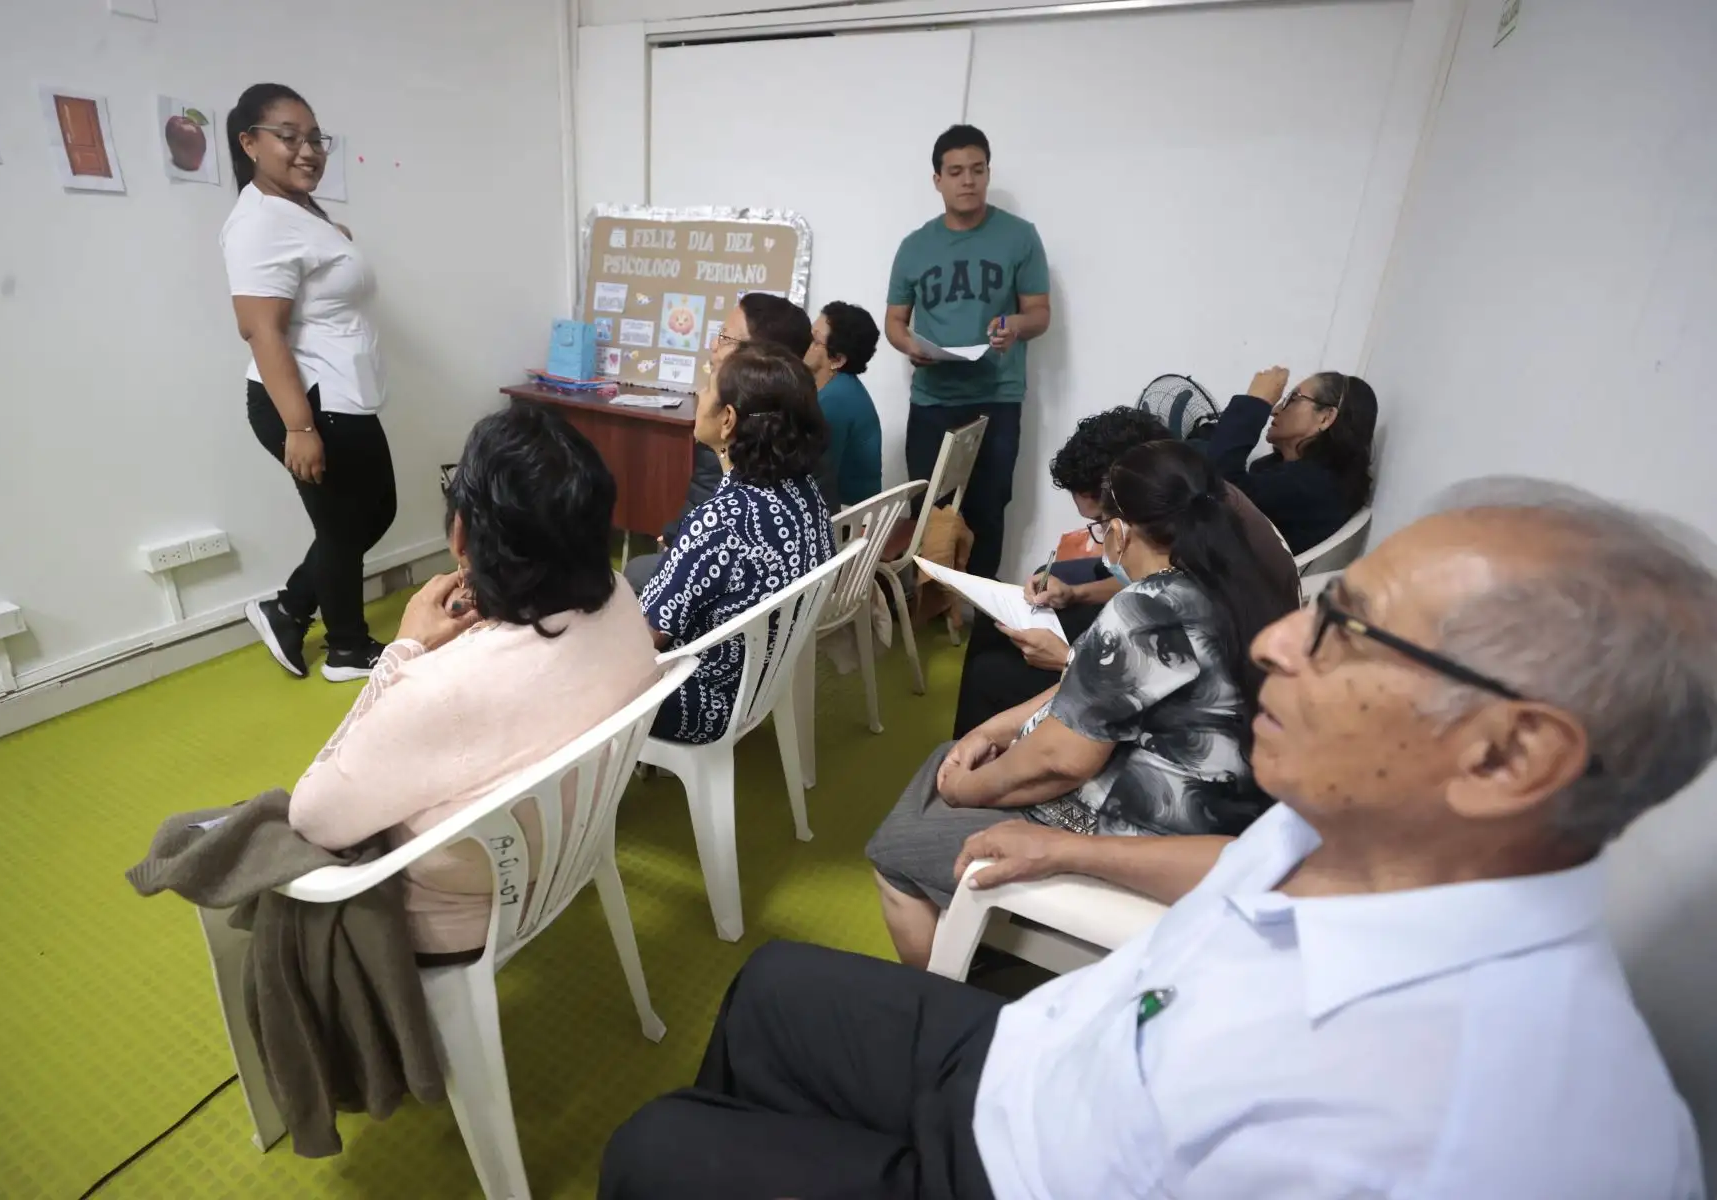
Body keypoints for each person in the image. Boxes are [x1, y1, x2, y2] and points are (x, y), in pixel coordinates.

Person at [600, 478, 1717, 1200]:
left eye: (1346, 629)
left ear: (1508, 756)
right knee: (773, 989)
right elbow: (1240, 870)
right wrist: (1067, 851)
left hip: (1023, 1170)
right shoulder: (1365, 830)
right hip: (1045, 1059)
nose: (1278, 640)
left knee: (654, 1150)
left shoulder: (1487, 1137)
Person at [868, 439, 1284, 965]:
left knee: (894, 851)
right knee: (949, 757)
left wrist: (969, 790)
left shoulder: (1147, 608)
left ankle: (946, 988)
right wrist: (991, 731)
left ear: (1120, 531)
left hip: (1140, 829)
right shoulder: (1230, 581)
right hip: (1204, 813)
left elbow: (1060, 762)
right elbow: (1092, 686)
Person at [287, 404, 658, 958]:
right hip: (567, 855)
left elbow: (311, 817)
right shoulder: (623, 595)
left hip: (455, 917)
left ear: (461, 536)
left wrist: (402, 652)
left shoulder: (439, 689)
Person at [954, 406, 1301, 736]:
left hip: (1204, 696)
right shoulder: (1193, 501)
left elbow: (1184, 661)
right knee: (996, 625)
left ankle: (969, 765)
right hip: (1181, 652)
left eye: (1102, 523)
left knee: (991, 676)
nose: (1103, 538)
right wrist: (1076, 593)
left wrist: (1066, 660)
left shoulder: (1205, 546)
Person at [222, 83, 395, 682]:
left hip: (342, 392)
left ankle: (291, 607)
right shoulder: (257, 223)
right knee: (343, 525)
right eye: (288, 137)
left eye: (314, 138)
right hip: (307, 399)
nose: (307, 151)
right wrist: (299, 426)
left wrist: (334, 242)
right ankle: (348, 648)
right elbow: (260, 330)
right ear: (249, 143)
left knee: (371, 513)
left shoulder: (295, 214)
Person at [641, 342, 835, 744]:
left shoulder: (719, 522)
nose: (699, 394)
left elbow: (646, 640)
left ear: (728, 419)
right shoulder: (806, 495)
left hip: (701, 697)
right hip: (760, 683)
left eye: (708, 388)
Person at [886, 124, 1050, 580]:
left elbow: (1039, 313)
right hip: (933, 399)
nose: (968, 181)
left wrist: (1013, 326)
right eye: (956, 171)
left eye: (977, 170)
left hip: (996, 395)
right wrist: (910, 347)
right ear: (937, 179)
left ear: (987, 173)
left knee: (989, 505)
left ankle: (979, 609)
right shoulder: (915, 246)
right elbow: (895, 323)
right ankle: (930, 605)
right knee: (927, 505)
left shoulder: (1019, 237)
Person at [622, 293, 814, 595]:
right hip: (786, 610)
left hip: (731, 622)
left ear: (727, 418)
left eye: (724, 337)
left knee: (632, 576)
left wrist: (680, 541)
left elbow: (656, 628)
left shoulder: (726, 503)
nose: (713, 346)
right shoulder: (797, 427)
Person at [1203, 365, 1379, 554]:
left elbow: (1217, 488)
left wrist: (1255, 402)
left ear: (1325, 418)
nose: (1275, 409)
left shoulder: (1315, 486)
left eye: (1293, 399)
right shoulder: (1295, 475)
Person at [806, 300, 885, 507]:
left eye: (814, 340)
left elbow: (811, 477)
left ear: (837, 360)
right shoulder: (841, 388)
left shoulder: (835, 400)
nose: (804, 343)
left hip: (847, 520)